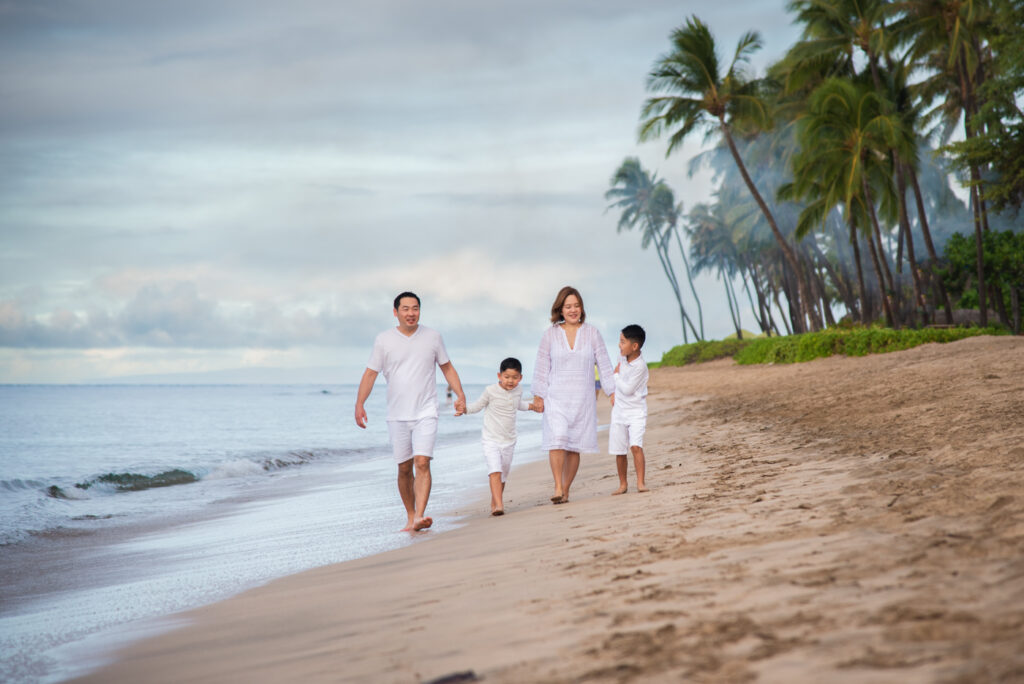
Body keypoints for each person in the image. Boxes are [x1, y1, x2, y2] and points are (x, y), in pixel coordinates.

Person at [354, 291, 467, 532]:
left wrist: (460, 394)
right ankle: (411, 514)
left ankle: (421, 515)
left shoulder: (433, 337)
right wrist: (359, 404)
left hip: (426, 410)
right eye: (405, 309)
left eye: (415, 308)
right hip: (397, 415)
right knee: (404, 468)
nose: (411, 313)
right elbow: (370, 373)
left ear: (419, 311)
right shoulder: (384, 340)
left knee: (422, 462)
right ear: (396, 312)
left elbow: (447, 367)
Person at [532, 286, 615, 504]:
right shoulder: (550, 334)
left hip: (582, 398)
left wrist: (611, 391)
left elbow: (604, 364)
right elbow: (542, 365)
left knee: (574, 445)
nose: (573, 310)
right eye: (568, 306)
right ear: (560, 309)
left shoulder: (592, 333)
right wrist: (539, 395)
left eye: (576, 305)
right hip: (556, 397)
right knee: (557, 439)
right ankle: (558, 486)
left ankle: (566, 488)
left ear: (581, 308)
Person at [463, 358, 541, 516]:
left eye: (514, 377)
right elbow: (477, 406)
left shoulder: (518, 391)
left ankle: (495, 501)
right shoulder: (490, 391)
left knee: (503, 474)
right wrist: (464, 409)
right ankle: (499, 505)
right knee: (495, 470)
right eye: (507, 377)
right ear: (499, 375)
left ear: (520, 378)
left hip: (509, 440)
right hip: (490, 439)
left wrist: (532, 406)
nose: (510, 381)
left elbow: (518, 404)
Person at [610, 324, 649, 495]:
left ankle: (640, 482)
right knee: (619, 450)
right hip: (619, 412)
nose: (619, 345)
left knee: (635, 446)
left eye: (622, 342)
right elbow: (617, 386)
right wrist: (613, 393)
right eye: (620, 341)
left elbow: (627, 389)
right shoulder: (621, 359)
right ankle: (623, 484)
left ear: (635, 346)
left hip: (636, 412)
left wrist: (616, 375)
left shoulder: (640, 366)